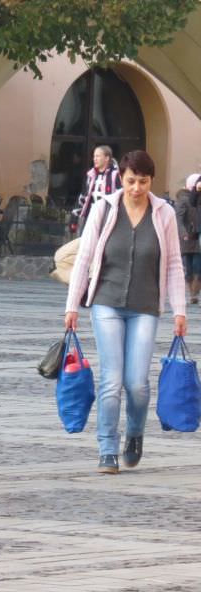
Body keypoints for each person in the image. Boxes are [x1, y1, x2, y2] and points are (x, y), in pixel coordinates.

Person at [64, 150, 186, 475]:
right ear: (122, 177)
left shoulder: (164, 214)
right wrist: (72, 305)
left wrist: (179, 311)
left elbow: (173, 263)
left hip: (146, 306)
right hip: (106, 303)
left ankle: (134, 433)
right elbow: (84, 257)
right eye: (131, 181)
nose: (136, 188)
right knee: (111, 380)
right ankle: (107, 449)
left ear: (151, 181)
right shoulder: (104, 209)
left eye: (143, 182)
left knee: (137, 384)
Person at [75, 145, 122, 235]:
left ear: (107, 158)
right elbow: (84, 197)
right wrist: (75, 216)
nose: (94, 159)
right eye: (94, 156)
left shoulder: (115, 175)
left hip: (107, 217)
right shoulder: (91, 175)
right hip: (91, 215)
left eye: (98, 156)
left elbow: (120, 196)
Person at [175, 173, 201, 303]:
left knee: (197, 267)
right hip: (187, 238)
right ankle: (192, 293)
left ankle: (194, 294)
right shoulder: (183, 199)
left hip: (197, 237)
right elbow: (179, 218)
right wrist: (183, 232)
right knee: (189, 269)